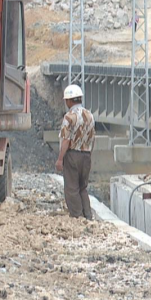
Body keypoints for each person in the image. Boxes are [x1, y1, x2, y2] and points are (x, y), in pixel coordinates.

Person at [57, 84, 96, 220]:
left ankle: (77, 216)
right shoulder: (89, 115)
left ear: (69, 100)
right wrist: (89, 154)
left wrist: (60, 159)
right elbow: (93, 138)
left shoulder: (69, 117)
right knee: (82, 187)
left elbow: (66, 140)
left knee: (72, 188)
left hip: (72, 155)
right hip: (86, 155)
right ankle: (88, 216)